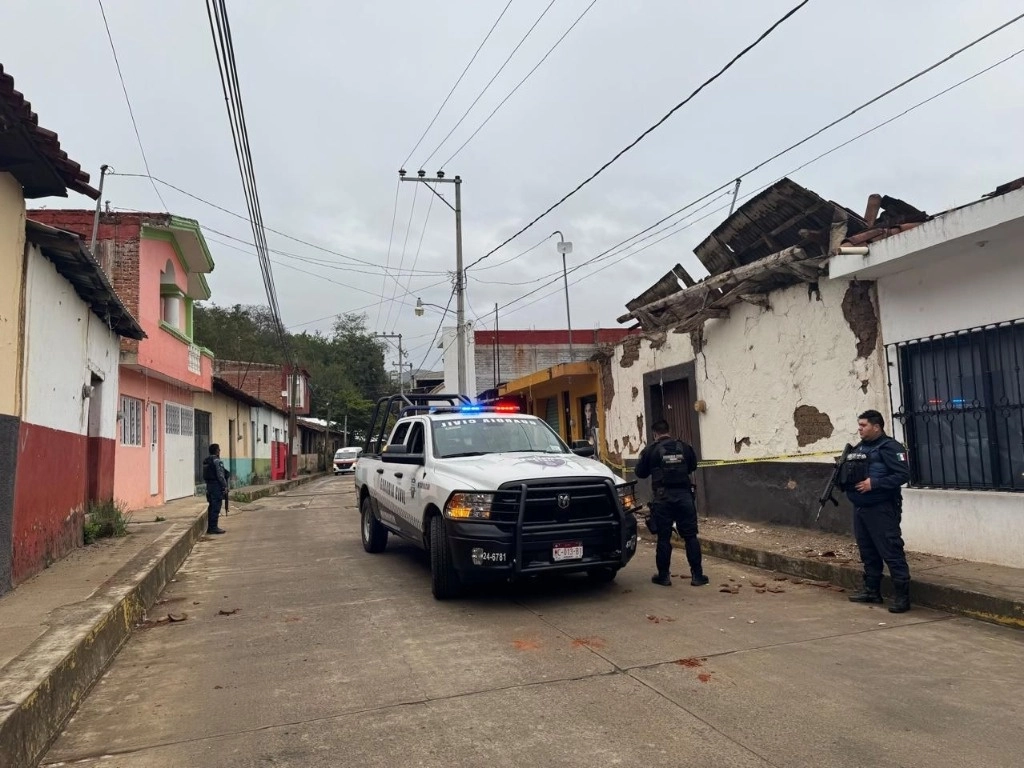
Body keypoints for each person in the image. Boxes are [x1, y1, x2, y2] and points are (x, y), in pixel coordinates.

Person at [842, 410, 911, 612]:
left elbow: (903, 474)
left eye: (863, 425)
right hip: (861, 508)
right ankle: (872, 591)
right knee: (868, 551)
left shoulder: (890, 447)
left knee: (890, 549)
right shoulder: (859, 447)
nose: (859, 429)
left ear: (876, 427)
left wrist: (876, 483)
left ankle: (902, 598)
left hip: (882, 508)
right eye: (859, 425)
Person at [634, 419, 708, 587]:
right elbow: (693, 466)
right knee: (690, 536)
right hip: (684, 496)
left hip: (663, 499)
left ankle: (664, 576)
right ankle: (697, 576)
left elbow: (640, 473)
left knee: (663, 538)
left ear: (655, 434)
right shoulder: (684, 447)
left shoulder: (651, 450)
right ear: (669, 431)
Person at [202, 443, 228, 534]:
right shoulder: (217, 461)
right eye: (219, 449)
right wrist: (225, 486)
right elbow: (220, 475)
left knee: (211, 506)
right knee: (216, 507)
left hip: (209, 486)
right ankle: (213, 527)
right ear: (217, 451)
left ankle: (211, 527)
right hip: (216, 486)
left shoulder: (206, 460)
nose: (220, 451)